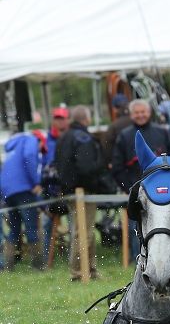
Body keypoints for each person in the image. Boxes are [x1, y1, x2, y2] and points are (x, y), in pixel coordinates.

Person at [56, 104, 115, 280]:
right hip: (83, 191)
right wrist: (93, 186)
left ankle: (90, 269)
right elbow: (86, 166)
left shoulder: (64, 136)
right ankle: (79, 271)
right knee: (83, 231)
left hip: (70, 190)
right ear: (87, 119)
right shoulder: (83, 137)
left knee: (82, 229)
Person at [112, 99, 170, 261]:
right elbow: (117, 167)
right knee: (137, 228)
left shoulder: (162, 133)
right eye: (136, 113)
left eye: (143, 112)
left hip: (162, 192)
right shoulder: (124, 136)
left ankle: (164, 258)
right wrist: (130, 188)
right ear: (131, 115)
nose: (140, 115)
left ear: (149, 113)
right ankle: (138, 259)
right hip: (137, 191)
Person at [0, 130, 48, 270]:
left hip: (8, 191)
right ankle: (38, 266)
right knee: (31, 227)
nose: (40, 151)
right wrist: (36, 182)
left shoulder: (13, 147)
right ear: (39, 140)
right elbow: (29, 156)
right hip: (23, 190)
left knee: (14, 228)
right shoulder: (31, 140)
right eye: (41, 148)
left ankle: (8, 267)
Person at [42, 106, 70, 263]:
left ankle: (74, 258)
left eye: (63, 118)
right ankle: (47, 259)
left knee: (74, 223)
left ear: (68, 120)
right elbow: (43, 166)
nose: (60, 121)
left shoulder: (71, 137)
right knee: (47, 224)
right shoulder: (47, 140)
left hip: (68, 188)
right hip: (51, 190)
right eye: (57, 118)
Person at [103, 94, 132, 163]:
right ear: (128, 105)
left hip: (121, 163)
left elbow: (108, 147)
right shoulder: (137, 122)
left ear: (114, 109)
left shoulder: (113, 126)